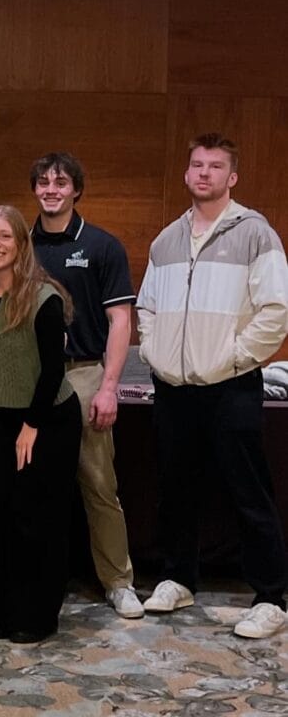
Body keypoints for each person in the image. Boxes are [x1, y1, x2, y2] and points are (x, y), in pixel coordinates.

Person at [137, 133, 288, 640]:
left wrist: (235, 357)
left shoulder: (255, 234)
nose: (204, 173)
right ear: (186, 174)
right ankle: (179, 578)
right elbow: (147, 308)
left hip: (231, 387)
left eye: (215, 166)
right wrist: (156, 355)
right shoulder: (166, 239)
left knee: (248, 492)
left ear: (232, 177)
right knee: (176, 488)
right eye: (197, 165)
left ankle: (271, 596)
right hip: (175, 388)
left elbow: (275, 311)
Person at [29, 152, 142, 619]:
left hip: (84, 373)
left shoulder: (101, 246)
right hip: (30, 376)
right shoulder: (19, 244)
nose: (51, 190)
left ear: (76, 189)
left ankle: (118, 581)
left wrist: (109, 386)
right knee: (30, 483)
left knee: (98, 482)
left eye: (61, 182)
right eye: (42, 182)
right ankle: (31, 577)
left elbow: (121, 320)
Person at [0, 205, 81, 644]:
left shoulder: (43, 298)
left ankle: (37, 614)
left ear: (21, 244)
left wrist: (31, 426)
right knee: (1, 516)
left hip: (45, 419)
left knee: (37, 519)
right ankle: (2, 609)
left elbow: (53, 371)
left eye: (4, 237)